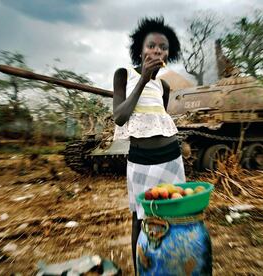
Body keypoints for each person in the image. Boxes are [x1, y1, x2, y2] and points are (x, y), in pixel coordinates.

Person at [112, 17, 186, 273]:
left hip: (171, 158)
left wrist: (151, 80)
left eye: (163, 47)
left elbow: (158, 120)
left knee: (174, 213)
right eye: (151, 45)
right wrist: (143, 79)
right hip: (141, 161)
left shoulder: (164, 86)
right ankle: (140, 270)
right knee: (140, 219)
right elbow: (120, 117)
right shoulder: (124, 75)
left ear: (169, 53)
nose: (157, 51)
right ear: (140, 49)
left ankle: (170, 265)